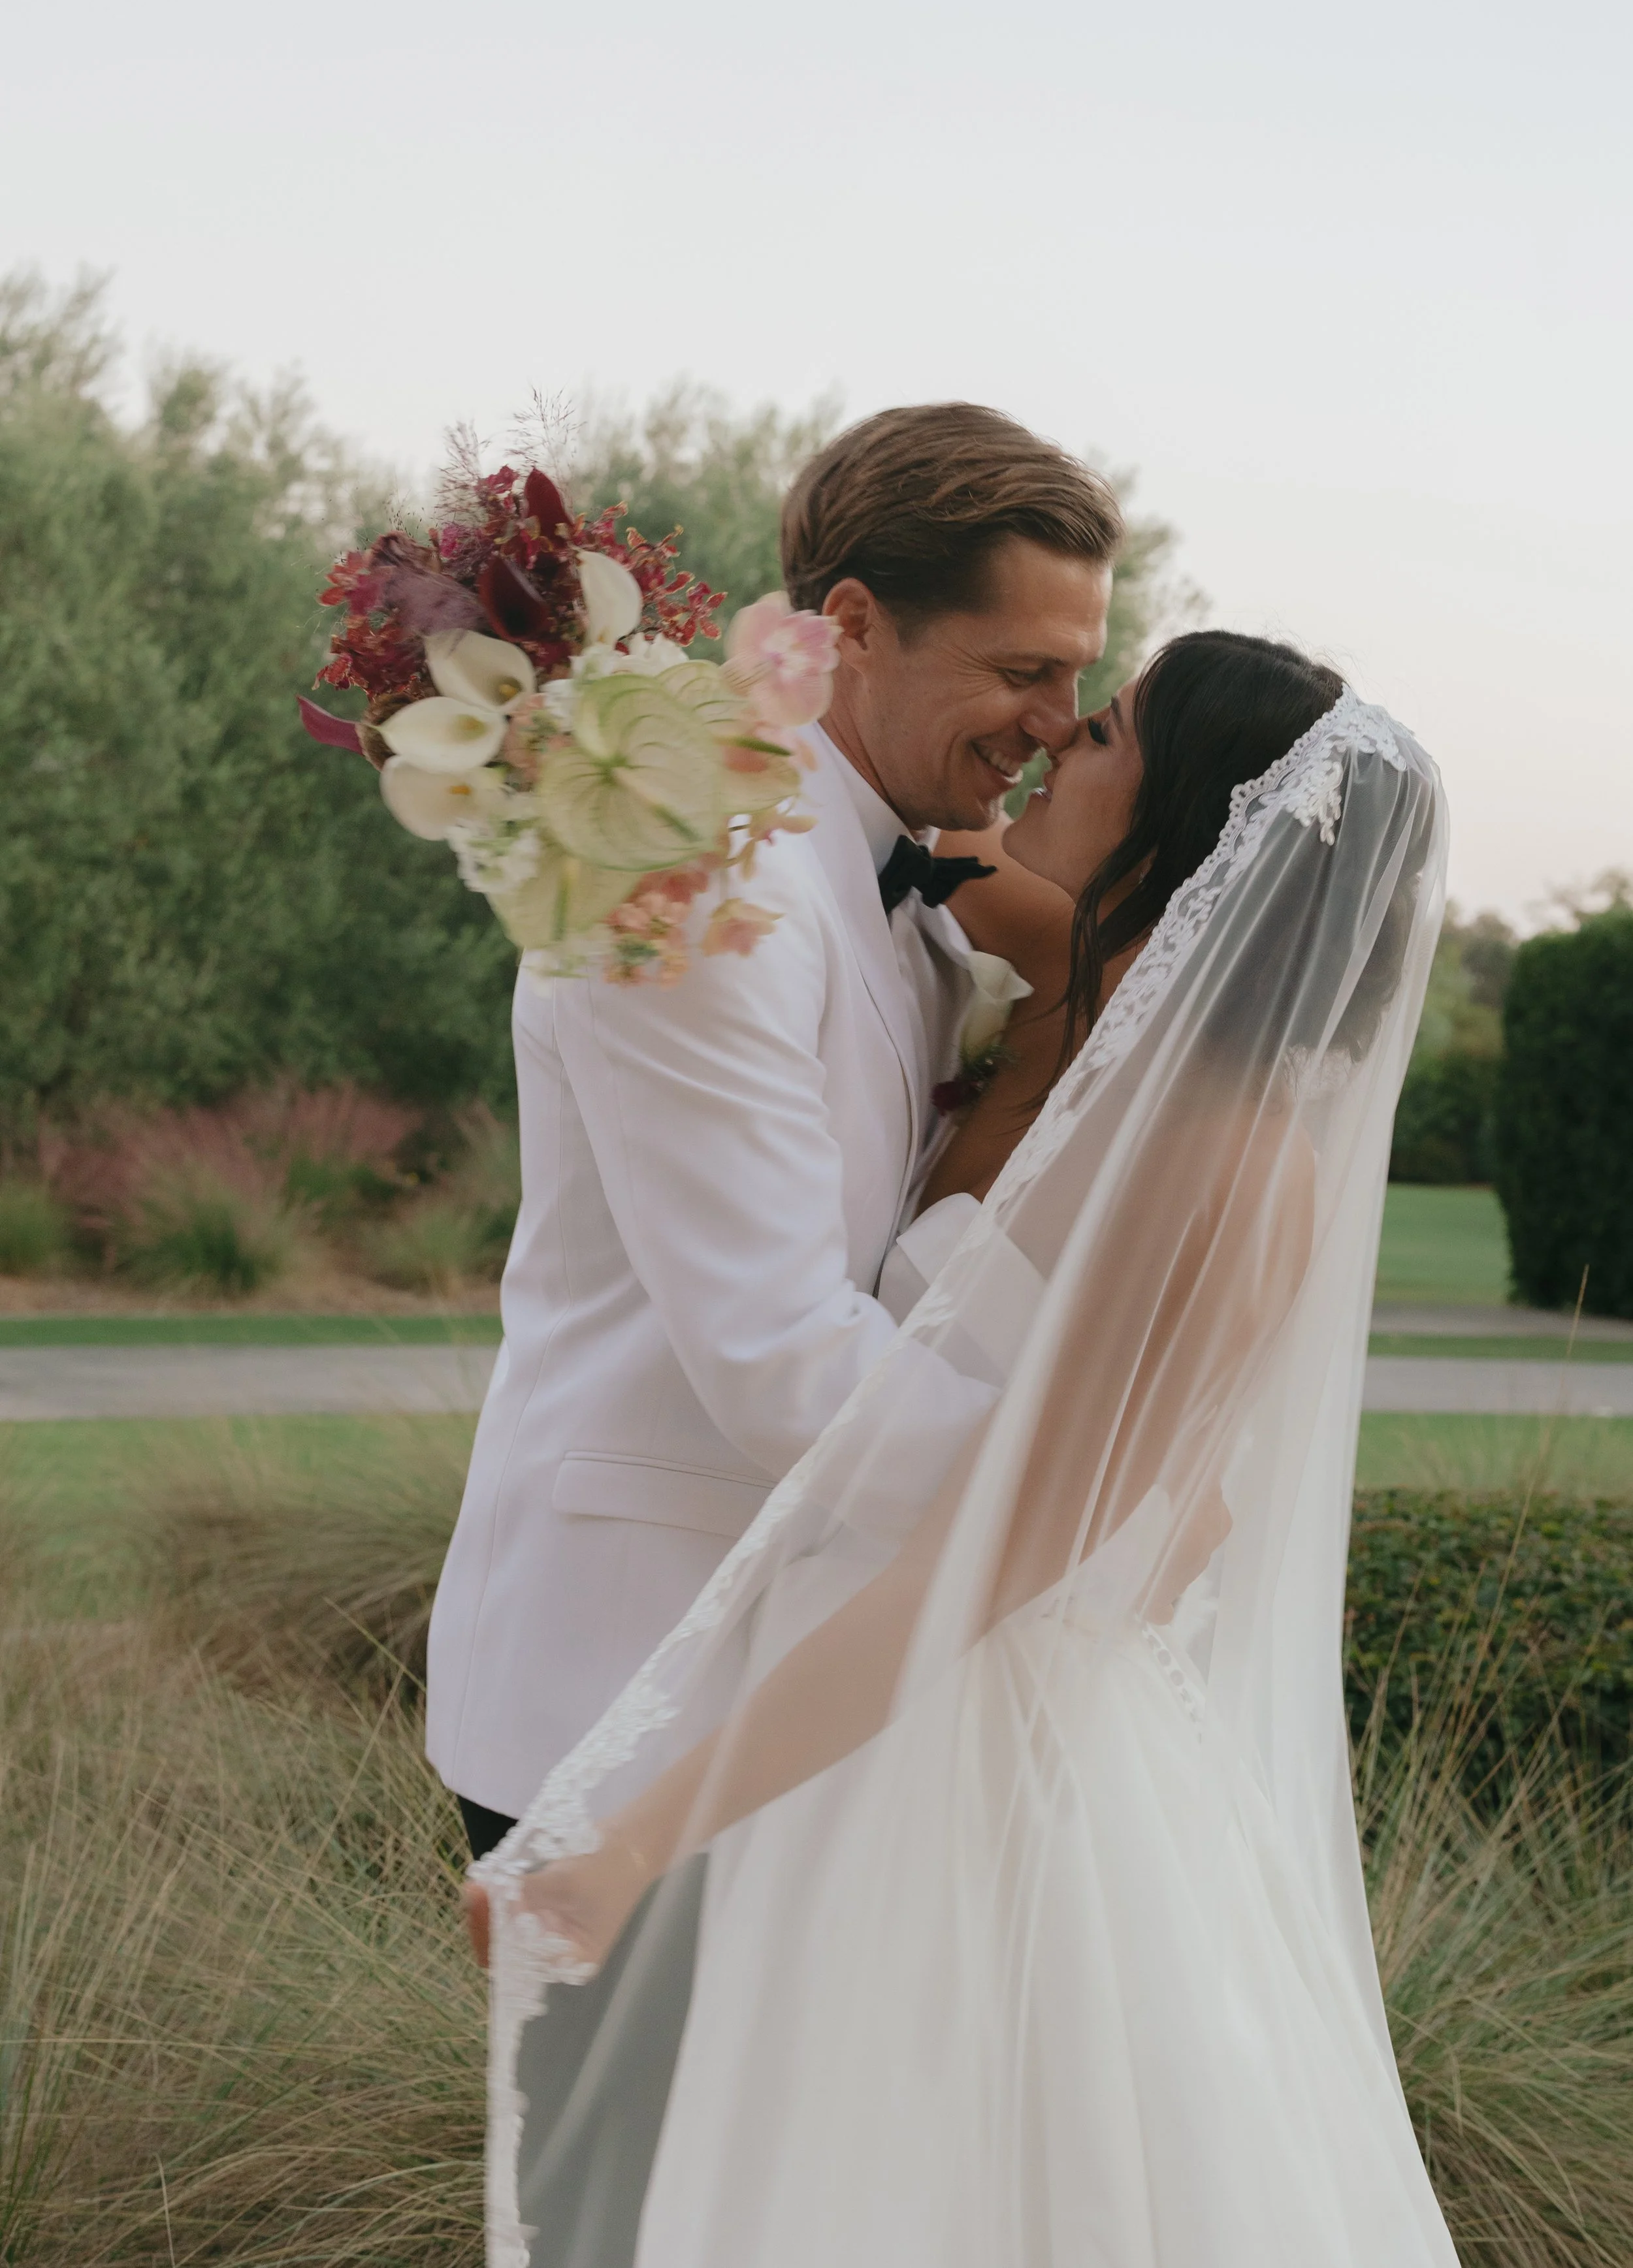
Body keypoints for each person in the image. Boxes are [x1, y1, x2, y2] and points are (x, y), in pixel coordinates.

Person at [470, 633, 1463, 2268]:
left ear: (1194, 827)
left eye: (1112, 725)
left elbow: (1004, 1551)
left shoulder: (1216, 1156)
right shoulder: (1098, 1013)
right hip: (873, 1695)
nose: (1064, 735)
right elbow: (927, 863)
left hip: (965, 1739)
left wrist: (644, 1829)